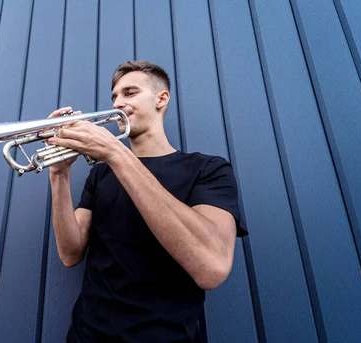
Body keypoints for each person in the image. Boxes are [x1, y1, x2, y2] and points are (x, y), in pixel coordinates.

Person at [47, 60, 248, 343]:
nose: (118, 103)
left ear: (161, 99)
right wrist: (59, 174)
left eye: (130, 93)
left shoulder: (207, 170)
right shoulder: (100, 174)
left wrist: (115, 153)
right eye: (114, 96)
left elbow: (212, 267)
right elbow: (70, 253)